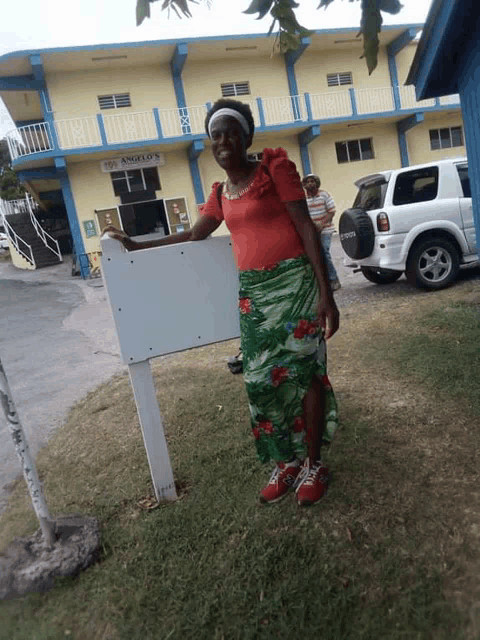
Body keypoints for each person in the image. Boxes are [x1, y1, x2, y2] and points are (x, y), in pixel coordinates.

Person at [104, 98, 339, 507]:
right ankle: (285, 462)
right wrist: (139, 244)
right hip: (254, 296)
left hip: (295, 288)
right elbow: (195, 235)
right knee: (260, 382)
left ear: (246, 136)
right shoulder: (221, 192)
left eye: (231, 131)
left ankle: (313, 464)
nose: (224, 140)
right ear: (210, 144)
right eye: (216, 135)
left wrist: (326, 294)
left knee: (306, 375)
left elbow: (305, 225)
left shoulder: (274, 169)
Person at [302, 174, 341, 291]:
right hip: (312, 231)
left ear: (317, 183)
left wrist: (321, 224)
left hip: (326, 229)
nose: (310, 184)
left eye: (312, 181)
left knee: (324, 252)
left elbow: (331, 211)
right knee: (312, 255)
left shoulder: (324, 195)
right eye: (307, 182)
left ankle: (334, 280)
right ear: (304, 185)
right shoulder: (304, 198)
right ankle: (321, 283)